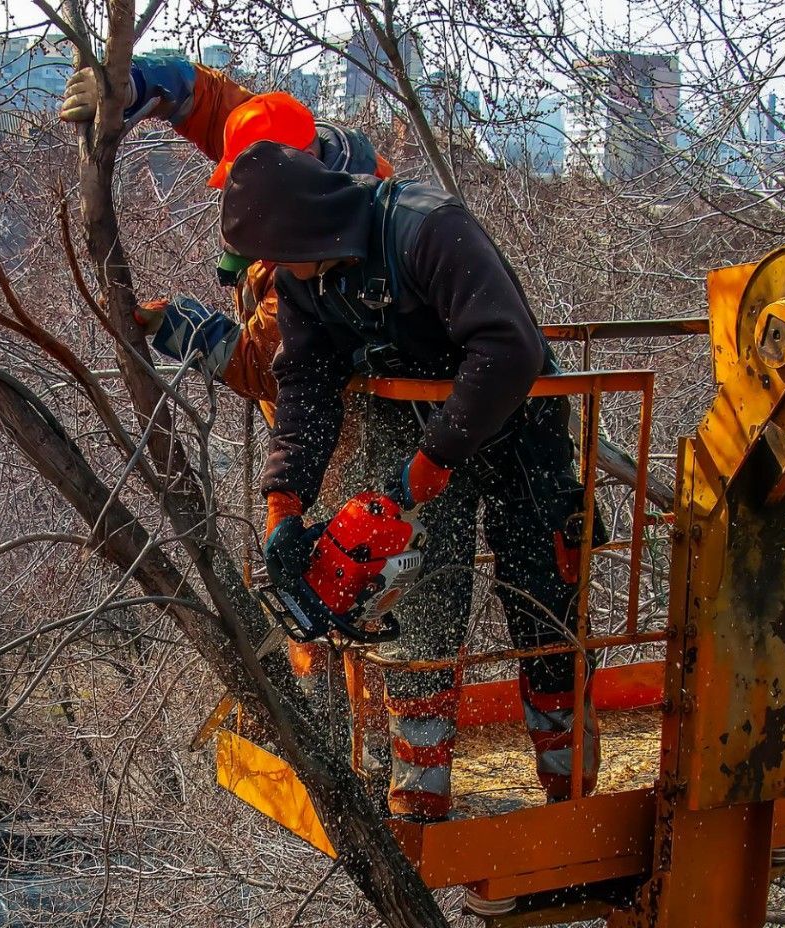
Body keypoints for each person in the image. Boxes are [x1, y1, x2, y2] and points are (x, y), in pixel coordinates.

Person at [223, 140, 600, 821]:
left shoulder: (427, 228)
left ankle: (567, 792)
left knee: (543, 600)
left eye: (279, 257)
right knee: (418, 605)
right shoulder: (309, 280)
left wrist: (433, 462)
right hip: (412, 425)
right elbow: (306, 385)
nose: (277, 273)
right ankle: (419, 788)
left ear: (305, 225)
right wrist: (285, 504)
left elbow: (507, 345)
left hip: (517, 418)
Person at [62, 56, 394, 686]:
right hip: (311, 427)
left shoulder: (330, 246)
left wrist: (187, 329)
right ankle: (326, 693)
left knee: (337, 583)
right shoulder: (293, 146)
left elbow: (271, 365)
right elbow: (216, 105)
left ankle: (352, 723)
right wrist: (139, 84)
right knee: (312, 578)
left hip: (347, 433)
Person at [59, 55, 392, 408]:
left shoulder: (336, 254)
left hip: (344, 424)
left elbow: (267, 367)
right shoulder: (282, 146)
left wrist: (176, 323)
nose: (241, 195)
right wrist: (133, 85)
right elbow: (209, 98)